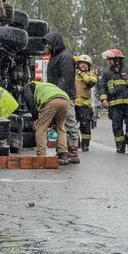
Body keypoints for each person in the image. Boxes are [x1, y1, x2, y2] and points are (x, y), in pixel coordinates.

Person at [97, 48, 128, 153]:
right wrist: (104, 99)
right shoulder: (106, 74)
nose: (108, 62)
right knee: (116, 126)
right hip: (114, 105)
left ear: (118, 60)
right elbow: (102, 87)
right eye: (108, 60)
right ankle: (120, 146)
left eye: (110, 59)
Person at [42, 32, 80, 163]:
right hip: (57, 95)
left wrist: (59, 94)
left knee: (69, 123)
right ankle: (62, 151)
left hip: (65, 96)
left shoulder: (65, 57)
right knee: (60, 124)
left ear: (55, 43)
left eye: (49, 44)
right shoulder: (55, 57)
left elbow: (65, 78)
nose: (47, 46)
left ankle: (73, 152)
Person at [22, 81, 70, 165]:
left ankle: (41, 155)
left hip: (51, 100)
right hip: (65, 100)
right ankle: (63, 154)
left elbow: (31, 104)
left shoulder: (27, 88)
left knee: (41, 128)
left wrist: (35, 120)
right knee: (61, 127)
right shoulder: (45, 85)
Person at [74, 54, 98, 151]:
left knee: (85, 125)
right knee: (71, 125)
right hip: (74, 104)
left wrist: (82, 74)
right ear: (78, 64)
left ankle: (85, 144)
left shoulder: (91, 75)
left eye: (86, 64)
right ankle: (74, 143)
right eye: (81, 63)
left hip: (85, 105)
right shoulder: (73, 74)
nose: (84, 65)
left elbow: (91, 83)